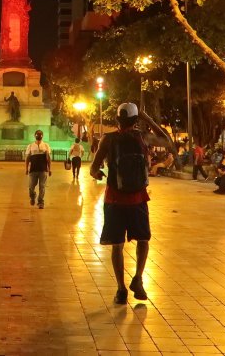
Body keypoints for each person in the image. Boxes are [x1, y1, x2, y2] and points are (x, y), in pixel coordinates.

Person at [90, 102, 173, 304]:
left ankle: (121, 289)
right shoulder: (143, 137)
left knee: (117, 245)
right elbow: (167, 140)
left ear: (117, 119)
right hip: (138, 198)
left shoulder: (108, 139)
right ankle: (138, 279)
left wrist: (99, 173)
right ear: (136, 120)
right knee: (143, 240)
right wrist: (147, 119)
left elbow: (93, 169)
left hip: (114, 199)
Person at [25, 129, 52, 208]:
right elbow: (27, 158)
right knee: (31, 187)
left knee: (42, 186)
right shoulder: (30, 146)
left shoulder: (46, 146)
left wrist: (49, 169)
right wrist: (26, 169)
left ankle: (40, 202)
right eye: (37, 134)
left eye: (40, 134)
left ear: (42, 136)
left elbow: (48, 159)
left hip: (43, 169)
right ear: (35, 135)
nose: (39, 136)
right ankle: (33, 196)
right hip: (33, 169)